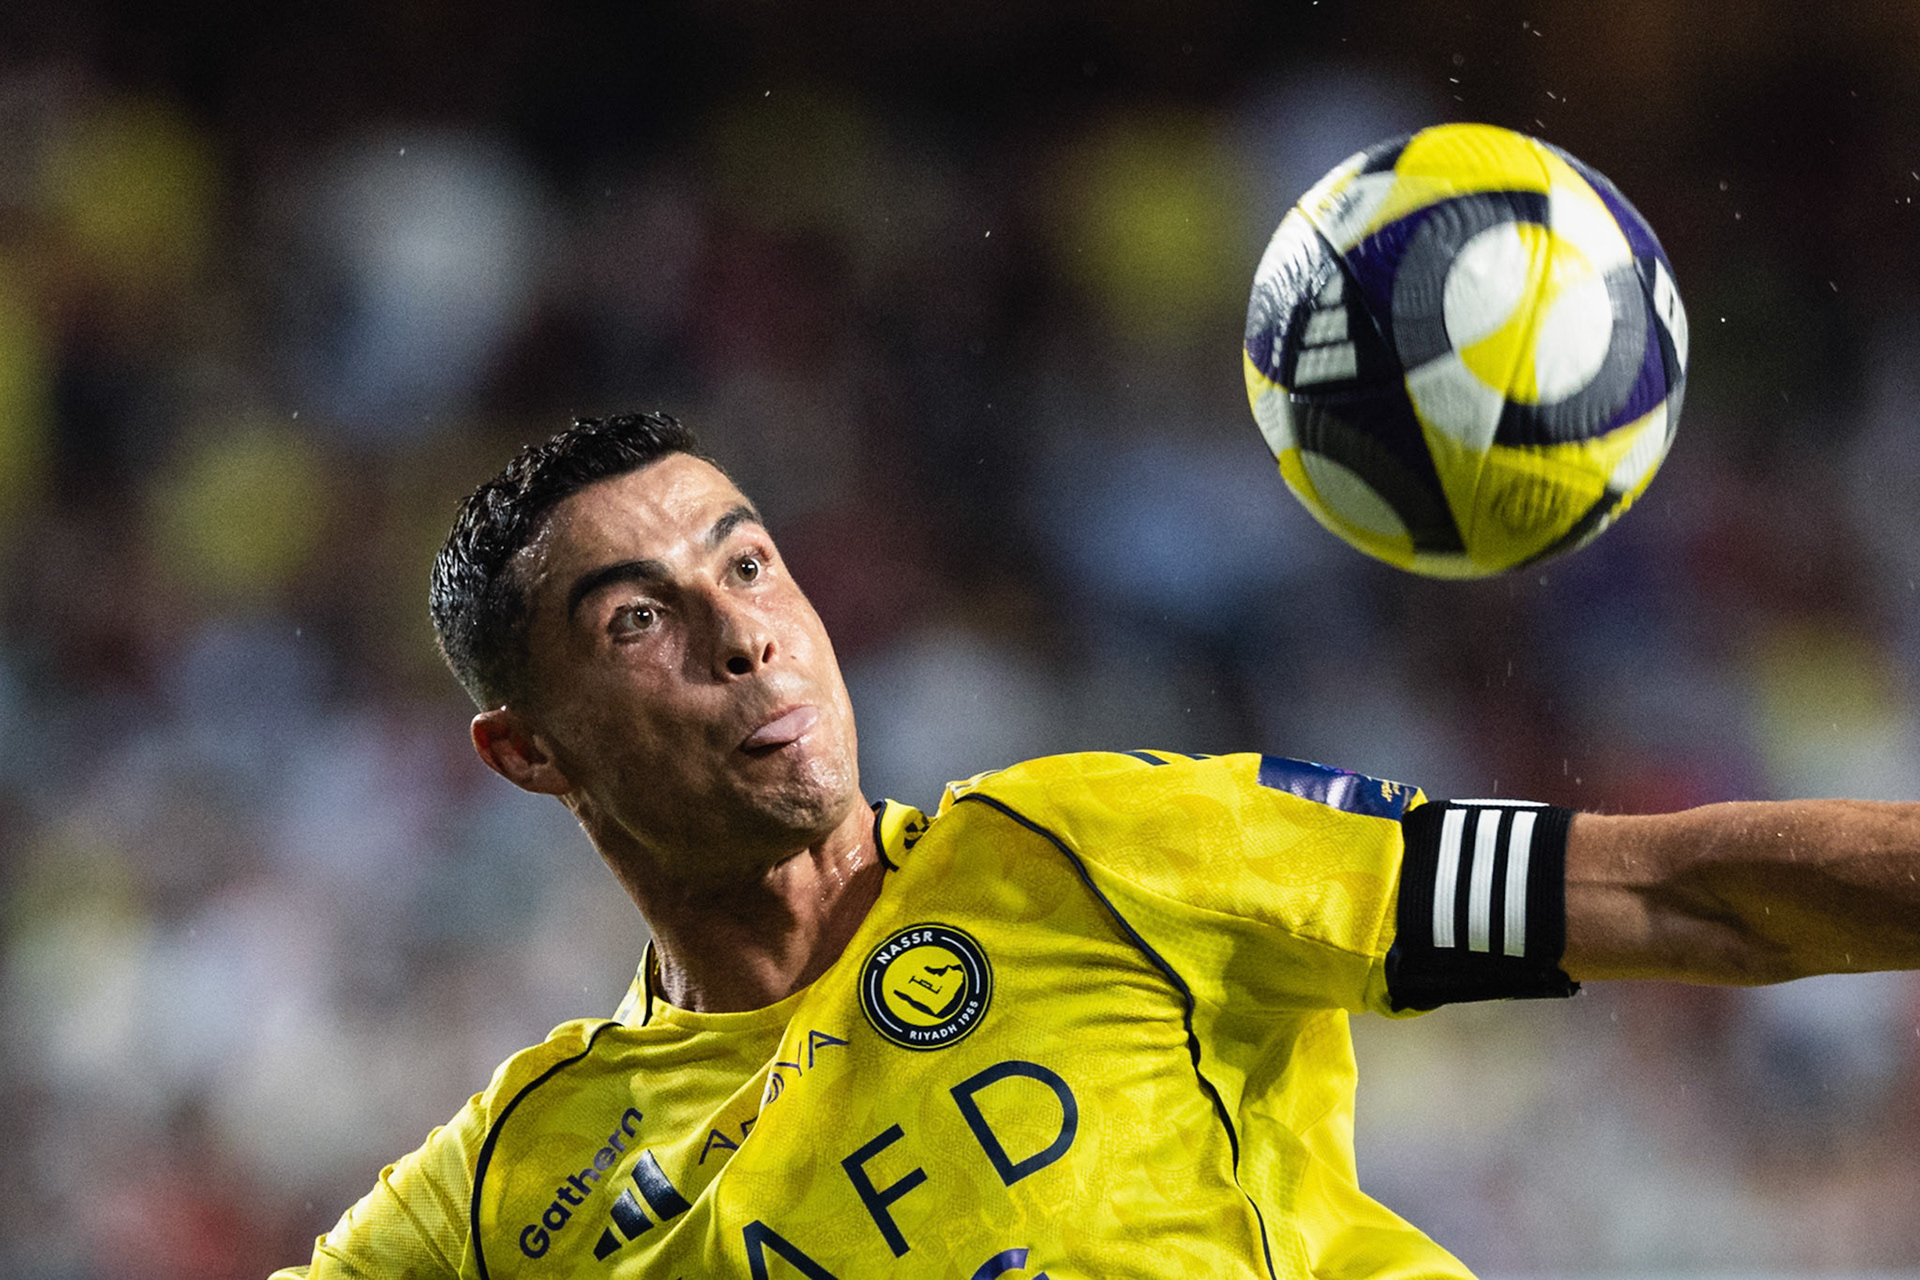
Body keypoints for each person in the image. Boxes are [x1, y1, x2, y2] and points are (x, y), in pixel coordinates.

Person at [273, 411, 1920, 1279]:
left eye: (754, 564)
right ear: (527, 751)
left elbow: (1679, 892)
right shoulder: (518, 1190)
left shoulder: (1093, 854)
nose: (747, 638)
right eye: (640, 618)